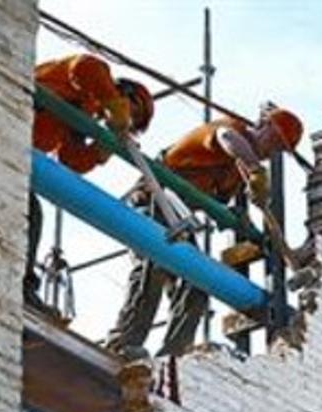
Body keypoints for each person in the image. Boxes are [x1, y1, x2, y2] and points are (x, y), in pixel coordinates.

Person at [104, 104, 303, 357]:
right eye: (274, 142)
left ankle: (172, 358)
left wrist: (243, 220)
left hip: (176, 216)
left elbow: (223, 206)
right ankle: (123, 342)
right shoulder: (232, 130)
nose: (270, 152)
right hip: (151, 199)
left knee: (196, 283)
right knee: (155, 264)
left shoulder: (237, 172)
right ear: (263, 126)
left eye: (279, 150)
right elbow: (227, 139)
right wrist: (255, 170)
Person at [25, 54, 154, 311]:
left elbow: (70, 160)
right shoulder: (91, 79)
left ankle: (22, 287)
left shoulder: (83, 115)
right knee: (30, 213)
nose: (127, 120)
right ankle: (22, 289)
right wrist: (114, 106)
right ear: (124, 93)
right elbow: (84, 66)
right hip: (8, 119)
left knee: (30, 214)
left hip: (18, 156)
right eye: (132, 111)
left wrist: (102, 148)